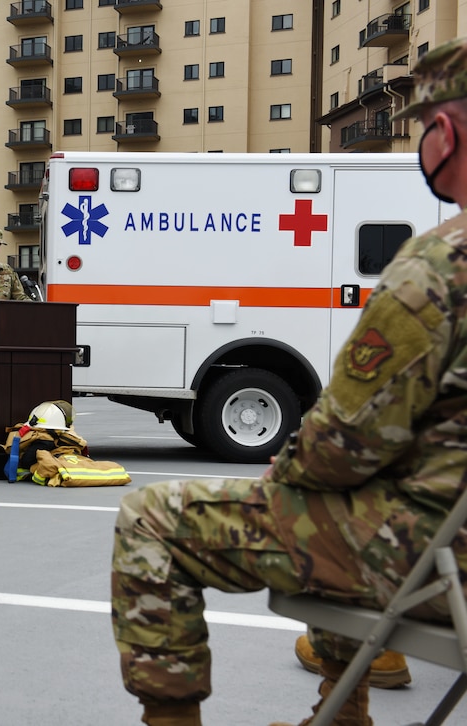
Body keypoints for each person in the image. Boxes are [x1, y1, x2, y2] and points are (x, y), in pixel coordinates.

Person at [111, 36, 467, 726]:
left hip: (439, 559)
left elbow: (346, 442)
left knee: (151, 517)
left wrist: (295, 466)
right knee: (352, 495)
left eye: (423, 130)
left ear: (444, 133)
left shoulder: (439, 265)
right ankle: (341, 715)